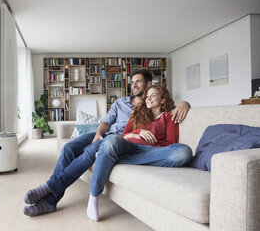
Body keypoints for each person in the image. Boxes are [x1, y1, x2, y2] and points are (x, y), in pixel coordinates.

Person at [23, 70, 191, 217]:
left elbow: (170, 108)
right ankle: (52, 197)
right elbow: (106, 122)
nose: (134, 85)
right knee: (69, 147)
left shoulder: (151, 104)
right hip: (105, 135)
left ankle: (50, 195)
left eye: (138, 81)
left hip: (120, 142)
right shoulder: (121, 102)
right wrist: (97, 133)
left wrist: (185, 103)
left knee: (92, 150)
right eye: (132, 82)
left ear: (148, 84)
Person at [86, 86, 192, 222]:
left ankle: (109, 157)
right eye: (147, 96)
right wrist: (138, 132)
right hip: (129, 146)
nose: (148, 98)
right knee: (111, 140)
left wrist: (185, 103)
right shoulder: (136, 114)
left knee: (183, 152)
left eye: (153, 95)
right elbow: (123, 136)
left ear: (163, 100)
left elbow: (171, 145)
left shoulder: (169, 117)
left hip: (152, 151)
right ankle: (94, 197)